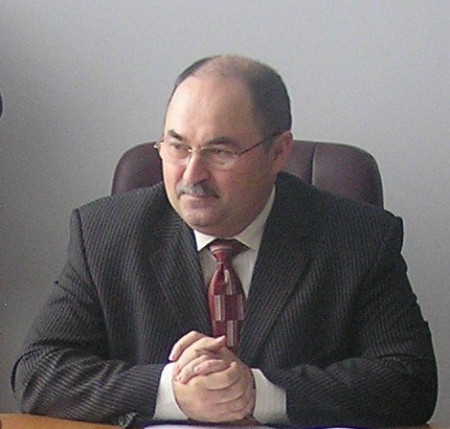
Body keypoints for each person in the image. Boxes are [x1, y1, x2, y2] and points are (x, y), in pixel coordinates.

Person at [12, 55, 437, 427]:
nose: (191, 174)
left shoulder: (358, 239)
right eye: (177, 147)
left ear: (279, 153)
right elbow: (38, 371)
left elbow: (410, 380)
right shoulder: (105, 233)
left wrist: (256, 391)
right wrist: (173, 391)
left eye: (220, 152)